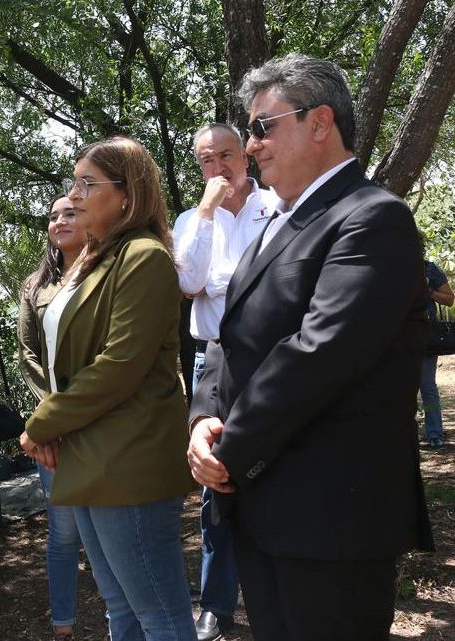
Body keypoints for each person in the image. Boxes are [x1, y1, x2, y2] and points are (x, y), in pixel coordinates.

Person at [187, 54, 434, 641]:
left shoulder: (373, 219)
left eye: (262, 127)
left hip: (332, 520)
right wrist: (202, 420)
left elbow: (318, 355)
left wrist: (228, 450)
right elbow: (228, 334)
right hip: (263, 508)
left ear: (320, 122)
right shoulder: (278, 222)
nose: (250, 146)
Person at [20, 136, 196, 641]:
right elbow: (63, 363)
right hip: (88, 454)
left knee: (159, 613)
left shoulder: (143, 257)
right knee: (120, 608)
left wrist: (41, 424)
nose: (73, 196)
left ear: (126, 194)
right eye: (73, 183)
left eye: (87, 184)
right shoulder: (90, 261)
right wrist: (55, 428)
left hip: (128, 459)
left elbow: (118, 365)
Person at [172, 123, 275, 641]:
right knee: (216, 483)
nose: (219, 168)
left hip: (274, 359)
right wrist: (208, 214)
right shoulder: (192, 220)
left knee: (278, 474)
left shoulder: (277, 206)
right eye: (207, 161)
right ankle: (216, 604)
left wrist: (219, 285)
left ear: (247, 155)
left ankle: (275, 596)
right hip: (212, 361)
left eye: (227, 155)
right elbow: (186, 281)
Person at [17, 196, 87, 641]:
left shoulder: (112, 273)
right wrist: (52, 414)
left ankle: (128, 619)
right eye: (53, 215)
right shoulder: (36, 286)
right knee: (63, 534)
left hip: (104, 424)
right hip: (51, 427)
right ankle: (64, 625)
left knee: (107, 532)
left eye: (71, 213)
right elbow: (27, 354)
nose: (60, 220)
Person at [422, 258, 453, 449]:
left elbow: (449, 299)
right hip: (394, 339)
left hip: (425, 338)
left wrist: (429, 291)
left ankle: (434, 433)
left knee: (427, 388)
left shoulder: (428, 268)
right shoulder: (387, 264)